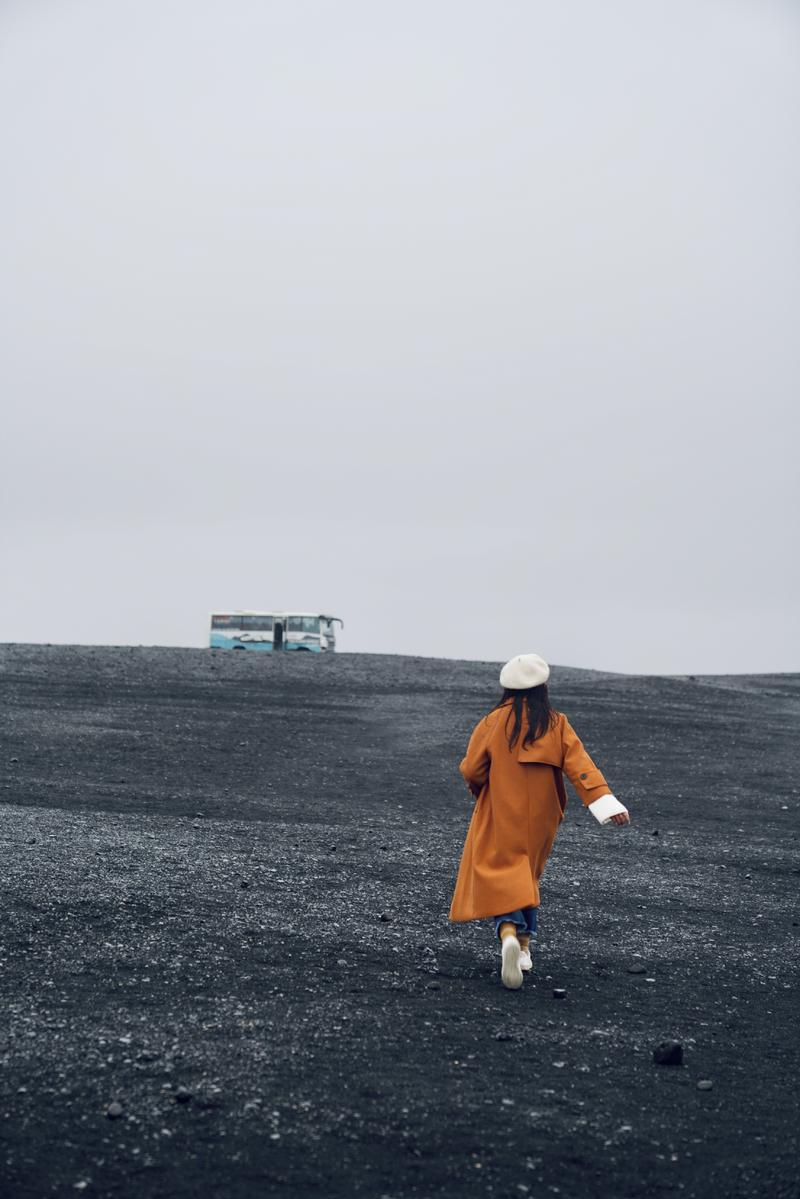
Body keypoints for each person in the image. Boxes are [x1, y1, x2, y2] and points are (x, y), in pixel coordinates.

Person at [448, 653, 631, 989]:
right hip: (543, 813)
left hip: (501, 807)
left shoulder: (492, 722)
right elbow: (581, 767)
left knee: (500, 870)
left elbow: (471, 768)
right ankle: (525, 947)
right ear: (543, 687)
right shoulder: (556, 723)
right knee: (526, 872)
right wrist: (606, 804)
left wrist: (479, 789)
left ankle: (508, 935)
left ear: (508, 688)